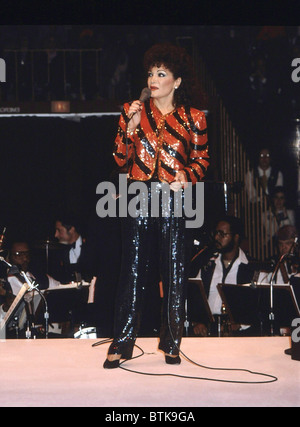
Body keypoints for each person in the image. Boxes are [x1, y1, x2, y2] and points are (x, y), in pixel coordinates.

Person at [103, 42, 209, 368]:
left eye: (161, 73)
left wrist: (186, 176)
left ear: (176, 81)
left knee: (174, 269)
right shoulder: (131, 110)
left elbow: (203, 160)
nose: (153, 79)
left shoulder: (193, 118)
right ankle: (122, 343)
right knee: (132, 270)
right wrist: (130, 130)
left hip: (173, 196)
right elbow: (120, 159)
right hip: (138, 193)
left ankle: (172, 342)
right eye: (151, 72)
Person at [188, 215, 256, 337]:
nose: (216, 237)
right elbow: (195, 297)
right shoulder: (207, 265)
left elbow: (256, 307)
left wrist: (240, 324)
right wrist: (197, 322)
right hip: (209, 330)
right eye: (216, 233)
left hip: (239, 334)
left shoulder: (251, 268)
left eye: (222, 234)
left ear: (236, 238)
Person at [0, 240, 60, 337]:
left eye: (27, 254)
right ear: (7, 258)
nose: (24, 258)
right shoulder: (3, 284)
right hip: (13, 339)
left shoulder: (41, 278)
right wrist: (5, 308)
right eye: (18, 254)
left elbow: (61, 290)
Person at [50, 212, 88, 283]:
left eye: (59, 230)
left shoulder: (89, 246)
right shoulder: (58, 252)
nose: (55, 235)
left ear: (71, 230)